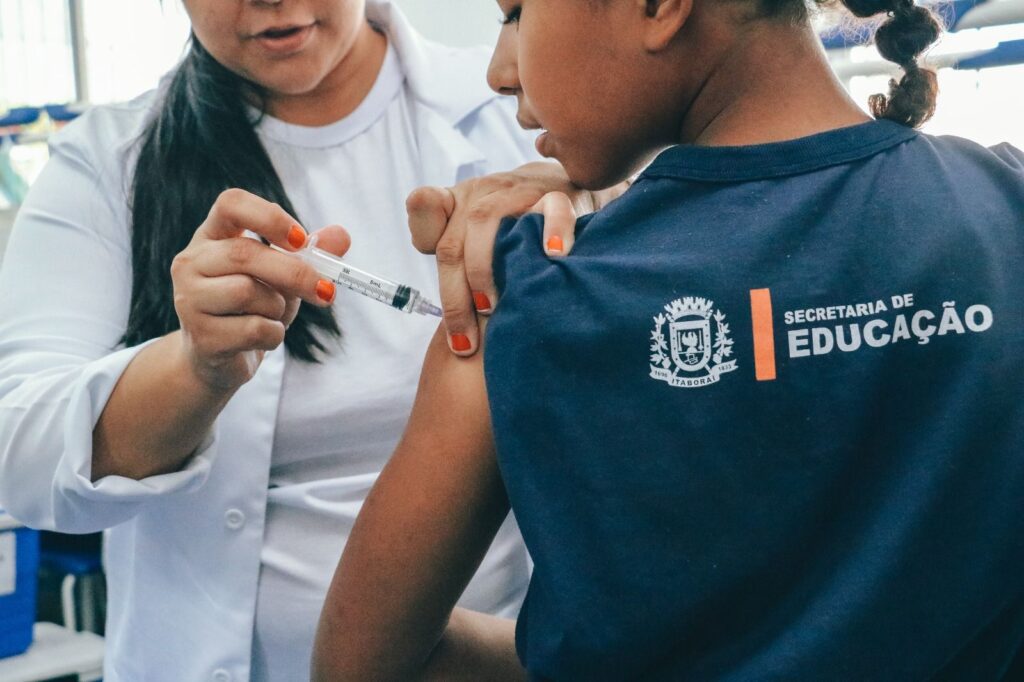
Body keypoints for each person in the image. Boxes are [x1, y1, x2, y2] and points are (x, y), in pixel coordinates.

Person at [312, 0, 1024, 679]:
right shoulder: (1006, 207)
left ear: (658, 6)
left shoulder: (523, 293)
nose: (500, 71)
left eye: (517, 15)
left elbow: (363, 666)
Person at [0, 1, 615, 679]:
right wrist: (195, 367)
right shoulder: (110, 159)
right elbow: (23, 464)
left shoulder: (528, 112)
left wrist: (602, 224)